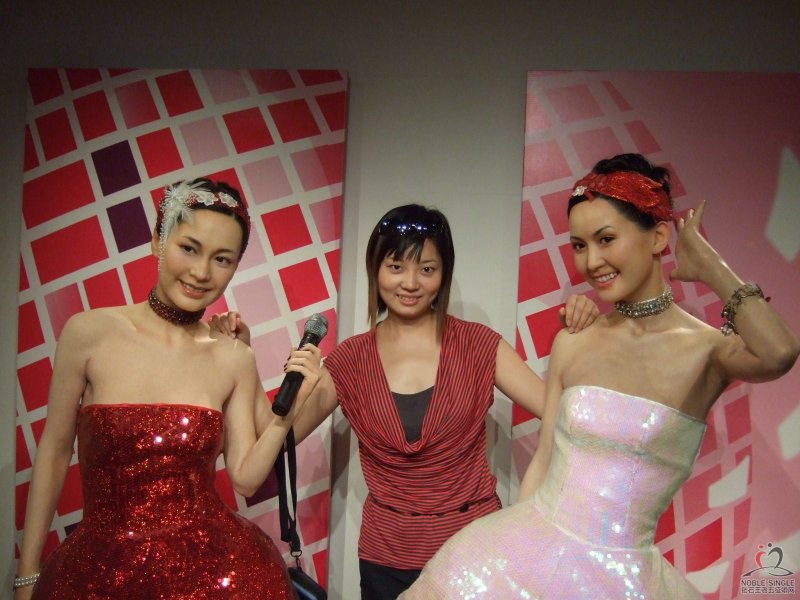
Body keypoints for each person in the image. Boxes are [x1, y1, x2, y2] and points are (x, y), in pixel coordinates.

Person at [400, 153, 800, 599]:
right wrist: (517, 572)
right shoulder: (575, 341)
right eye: (579, 245)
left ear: (658, 237)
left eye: (606, 239)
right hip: (526, 555)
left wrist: (710, 268)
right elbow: (543, 461)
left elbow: (780, 352)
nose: (591, 261)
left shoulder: (709, 351)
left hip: (626, 580)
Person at [211, 203, 599, 599]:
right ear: (375, 270)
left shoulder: (479, 345)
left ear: (443, 274)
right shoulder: (350, 360)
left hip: (474, 550)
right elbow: (276, 438)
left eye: (427, 269)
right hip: (386, 559)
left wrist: (585, 336)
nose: (410, 283)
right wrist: (243, 357)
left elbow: (568, 413)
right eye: (396, 267)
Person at [14, 179, 321, 600]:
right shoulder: (88, 333)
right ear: (157, 241)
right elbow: (53, 450)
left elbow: (247, 479)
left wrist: (291, 407)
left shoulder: (232, 356)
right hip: (96, 577)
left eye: (222, 259)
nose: (201, 272)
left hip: (217, 580)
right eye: (189, 248)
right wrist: (27, 575)